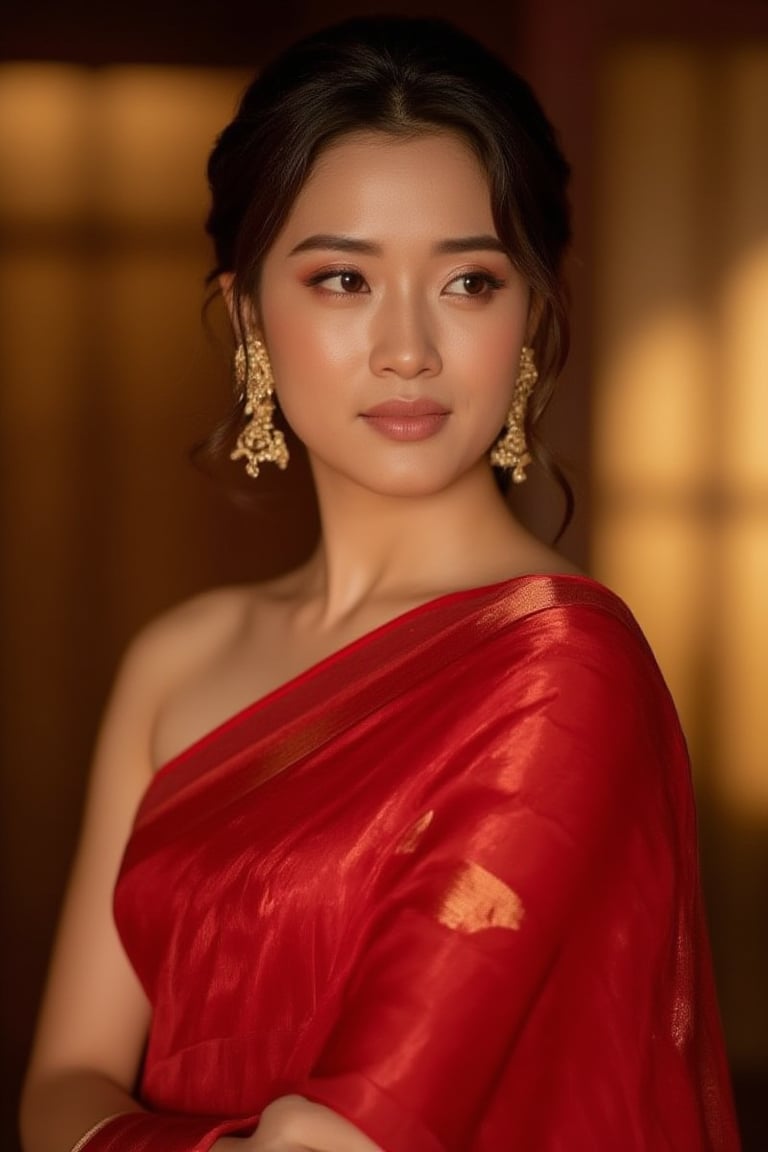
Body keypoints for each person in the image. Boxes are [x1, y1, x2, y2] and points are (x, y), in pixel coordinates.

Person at [20, 14, 740, 1152]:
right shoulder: (179, 658)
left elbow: (358, 1130)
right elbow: (61, 1080)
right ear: (253, 314)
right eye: (345, 278)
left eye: (467, 282)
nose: (407, 348)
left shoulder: (563, 670)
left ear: (536, 320)